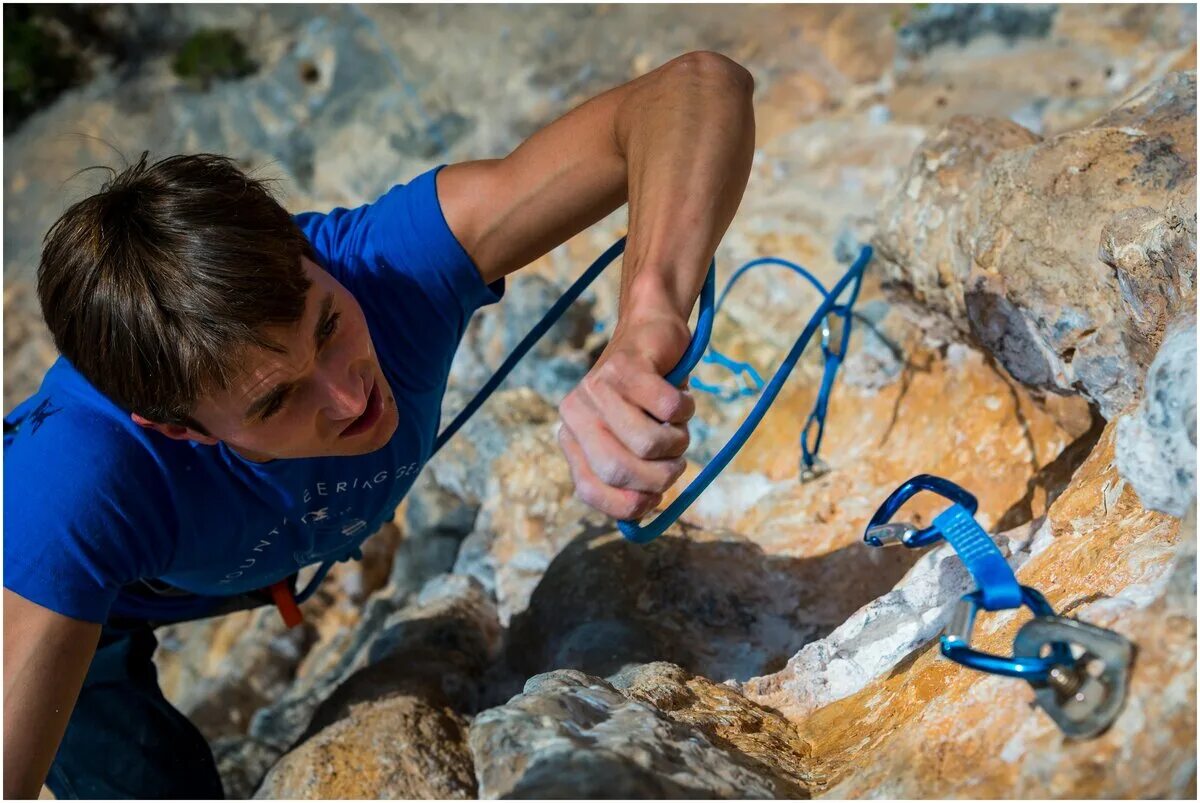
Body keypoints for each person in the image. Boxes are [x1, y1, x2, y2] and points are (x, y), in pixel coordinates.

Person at [2, 50, 754, 798]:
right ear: (180, 431)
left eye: (328, 324)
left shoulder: (387, 267)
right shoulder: (73, 491)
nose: (347, 394)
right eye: (277, 399)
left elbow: (695, 90)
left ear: (309, 253)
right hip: (101, 592)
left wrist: (646, 320)